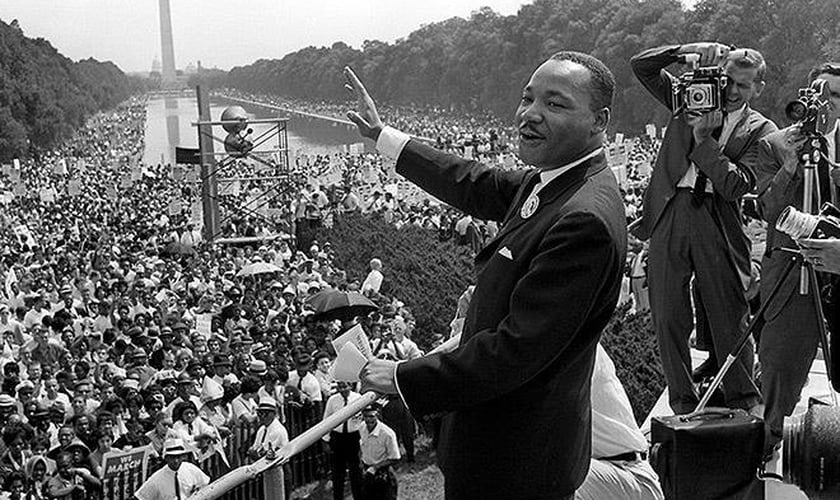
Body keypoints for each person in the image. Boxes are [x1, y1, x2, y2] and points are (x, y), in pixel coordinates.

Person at [347, 51, 626, 499]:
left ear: (599, 120)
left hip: (518, 462)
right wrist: (383, 136)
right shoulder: (552, 182)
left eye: (555, 104)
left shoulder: (583, 218)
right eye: (527, 98)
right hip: (502, 448)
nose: (530, 114)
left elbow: (515, 352)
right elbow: (472, 181)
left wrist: (403, 375)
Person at [630, 43, 776, 414]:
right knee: (667, 313)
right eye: (727, 79)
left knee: (729, 312)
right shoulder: (688, 97)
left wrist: (703, 141)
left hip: (717, 217)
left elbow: (736, 185)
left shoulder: (761, 129)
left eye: (743, 86)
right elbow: (642, 66)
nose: (730, 91)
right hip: (670, 210)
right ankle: (682, 400)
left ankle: (743, 400)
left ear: (758, 89)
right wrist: (684, 50)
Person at [755, 62, 840, 456]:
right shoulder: (775, 144)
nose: (829, 104)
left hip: (837, 270)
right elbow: (769, 210)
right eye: (823, 93)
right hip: (792, 273)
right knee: (781, 367)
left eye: (837, 96)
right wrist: (791, 165)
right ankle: (770, 443)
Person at [322, 381, 363, 500]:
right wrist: (326, 440)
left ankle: (358, 496)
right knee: (337, 472)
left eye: (345, 386)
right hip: (338, 438)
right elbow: (326, 420)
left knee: (356, 472)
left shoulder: (358, 398)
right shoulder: (332, 400)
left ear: (350, 386)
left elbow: (362, 420)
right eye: (340, 387)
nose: (343, 390)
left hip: (354, 437)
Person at [134, 438, 209, 500]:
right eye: (172, 457)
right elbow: (140, 497)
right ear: (166, 458)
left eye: (178, 457)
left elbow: (205, 485)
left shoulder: (191, 469)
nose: (176, 461)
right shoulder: (156, 479)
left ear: (183, 456)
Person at [358, 404, 400, 500]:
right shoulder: (361, 428)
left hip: (383, 474)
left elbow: (395, 457)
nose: (368, 420)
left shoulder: (387, 434)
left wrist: (375, 467)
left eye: (371, 416)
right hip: (368, 473)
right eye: (365, 416)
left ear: (377, 415)